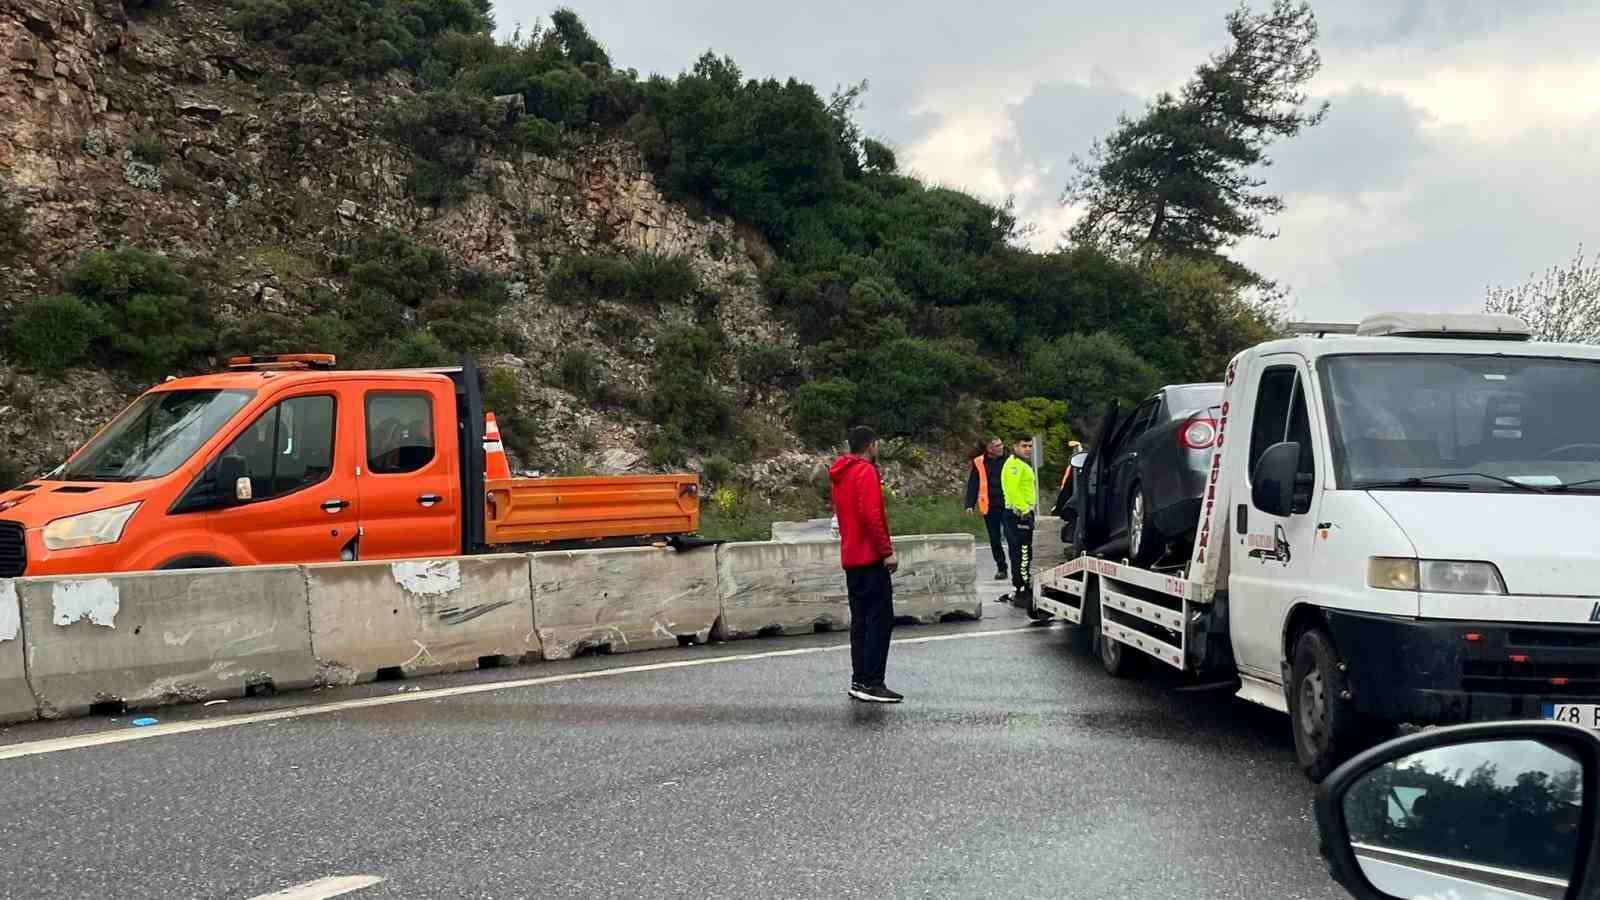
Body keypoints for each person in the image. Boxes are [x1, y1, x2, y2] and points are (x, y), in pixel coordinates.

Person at [829, 425, 902, 704]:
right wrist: (887, 552)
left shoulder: (840, 473)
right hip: (870, 557)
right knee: (879, 620)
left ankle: (859, 679)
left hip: (851, 558)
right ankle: (873, 682)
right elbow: (871, 515)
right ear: (871, 445)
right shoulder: (865, 471)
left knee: (860, 622)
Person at [963, 436, 1010, 581]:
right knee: (995, 539)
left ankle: (1018, 566)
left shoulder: (1010, 460)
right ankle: (1001, 568)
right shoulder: (979, 462)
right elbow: (973, 484)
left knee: (1012, 538)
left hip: (1009, 505)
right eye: (997, 445)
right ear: (989, 449)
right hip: (990, 507)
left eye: (1001, 444)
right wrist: (969, 504)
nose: (1001, 447)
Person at [1000, 436, 1037, 606]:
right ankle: (1021, 589)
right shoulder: (1014, 465)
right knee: (1021, 552)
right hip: (1018, 515)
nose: (1028, 449)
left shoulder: (1021, 464)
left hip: (1021, 513)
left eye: (1030, 446)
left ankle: (1022, 586)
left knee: (1024, 551)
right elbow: (1012, 490)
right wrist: (1024, 510)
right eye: (1024, 446)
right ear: (1015, 446)